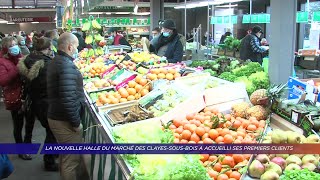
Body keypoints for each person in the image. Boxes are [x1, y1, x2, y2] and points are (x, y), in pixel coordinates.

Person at [47, 33, 89, 180]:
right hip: (64, 120)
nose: (77, 49)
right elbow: (68, 99)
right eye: (77, 46)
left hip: (56, 115)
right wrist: (76, 122)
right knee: (71, 160)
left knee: (66, 157)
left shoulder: (56, 61)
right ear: (70, 47)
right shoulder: (66, 65)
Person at [17, 37, 58, 171]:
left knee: (28, 128)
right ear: (47, 48)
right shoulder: (47, 64)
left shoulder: (27, 59)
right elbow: (49, 85)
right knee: (51, 130)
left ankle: (25, 150)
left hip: (29, 99)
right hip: (44, 101)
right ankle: (49, 160)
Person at [0, 36, 33, 160]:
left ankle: (28, 147)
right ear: (5, 48)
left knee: (29, 123)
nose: (14, 47)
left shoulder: (20, 57)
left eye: (15, 44)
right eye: (10, 46)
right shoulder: (2, 62)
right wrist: (17, 68)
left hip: (27, 95)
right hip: (15, 97)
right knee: (18, 125)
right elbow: (3, 80)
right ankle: (21, 150)